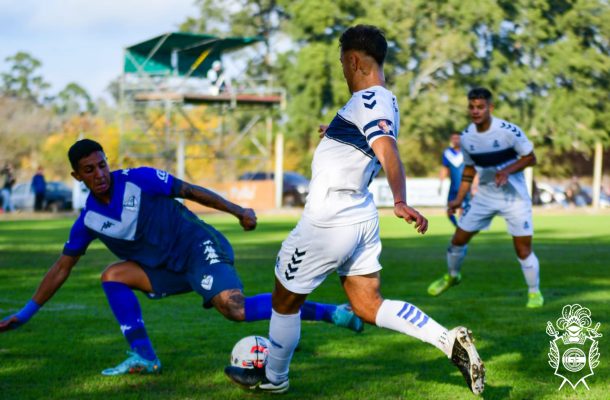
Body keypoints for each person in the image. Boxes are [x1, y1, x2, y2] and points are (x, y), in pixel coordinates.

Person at [224, 25, 485, 395]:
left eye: (343, 64)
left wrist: (399, 200)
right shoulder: (385, 100)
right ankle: (447, 340)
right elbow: (365, 138)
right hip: (360, 215)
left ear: (354, 60)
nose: (343, 71)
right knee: (368, 304)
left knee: (283, 300)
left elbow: (387, 151)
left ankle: (275, 377)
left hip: (328, 219)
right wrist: (332, 132)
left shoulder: (369, 102)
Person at [0, 139, 364, 376]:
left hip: (197, 246)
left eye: (102, 165)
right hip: (164, 269)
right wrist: (26, 313)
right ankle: (144, 356)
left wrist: (238, 211)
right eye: (89, 170)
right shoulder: (88, 221)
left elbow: (190, 191)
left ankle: (332, 312)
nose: (99, 174)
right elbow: (62, 268)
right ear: (76, 176)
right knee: (112, 276)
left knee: (234, 310)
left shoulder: (139, 179)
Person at [427, 87, 543, 309]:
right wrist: (459, 199)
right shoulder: (467, 138)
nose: (475, 111)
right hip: (485, 196)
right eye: (471, 107)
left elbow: (531, 158)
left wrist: (507, 170)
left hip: (514, 198)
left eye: (480, 107)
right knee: (457, 240)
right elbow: (469, 170)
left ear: (490, 108)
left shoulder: (509, 131)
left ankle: (534, 292)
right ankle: (452, 276)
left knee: (522, 249)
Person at [439, 132, 471, 226]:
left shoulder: (467, 153)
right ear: (451, 140)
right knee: (450, 210)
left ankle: (461, 230)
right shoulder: (447, 153)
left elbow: (473, 169)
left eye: (458, 138)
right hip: (453, 187)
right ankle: (457, 228)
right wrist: (440, 183)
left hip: (466, 186)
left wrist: (475, 185)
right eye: (454, 138)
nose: (456, 140)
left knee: (463, 210)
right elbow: (445, 168)